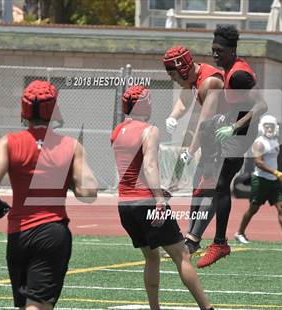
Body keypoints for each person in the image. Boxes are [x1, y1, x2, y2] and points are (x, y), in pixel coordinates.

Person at [0, 80, 98, 310]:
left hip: (19, 234)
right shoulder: (71, 145)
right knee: (38, 306)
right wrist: (66, 176)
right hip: (52, 233)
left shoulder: (9, 142)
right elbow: (88, 192)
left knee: (26, 305)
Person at [111, 85, 214, 310]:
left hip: (125, 204)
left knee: (151, 258)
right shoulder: (149, 130)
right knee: (182, 255)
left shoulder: (117, 131)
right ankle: (207, 309)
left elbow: (131, 169)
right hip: (146, 201)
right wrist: (158, 198)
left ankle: (154, 308)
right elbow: (148, 165)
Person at [196, 25, 267, 268]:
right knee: (206, 128)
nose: (215, 54)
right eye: (213, 50)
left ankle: (220, 243)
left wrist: (234, 128)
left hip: (243, 132)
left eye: (220, 50)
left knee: (221, 185)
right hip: (235, 123)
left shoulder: (238, 75)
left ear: (232, 50)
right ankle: (207, 175)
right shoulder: (228, 69)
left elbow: (261, 106)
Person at [163, 45, 224, 254]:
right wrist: (173, 116)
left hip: (229, 136)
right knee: (199, 186)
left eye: (172, 73)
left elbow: (205, 122)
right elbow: (184, 100)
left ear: (182, 69)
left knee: (211, 187)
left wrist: (190, 151)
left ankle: (193, 240)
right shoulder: (193, 78)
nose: (171, 78)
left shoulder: (210, 82)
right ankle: (190, 238)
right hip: (214, 134)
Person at [234, 115, 282, 245]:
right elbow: (259, 163)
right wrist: (276, 172)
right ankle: (240, 233)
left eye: (271, 126)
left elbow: (276, 161)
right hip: (260, 180)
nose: (269, 128)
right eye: (266, 125)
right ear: (262, 127)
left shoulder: (275, 142)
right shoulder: (259, 143)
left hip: (274, 180)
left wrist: (281, 173)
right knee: (253, 209)